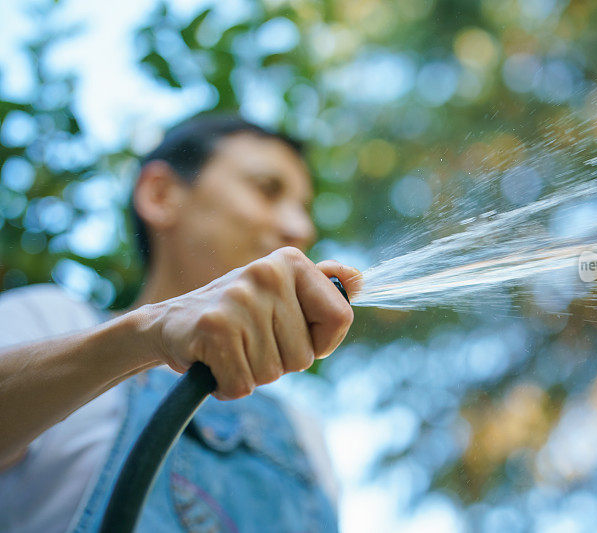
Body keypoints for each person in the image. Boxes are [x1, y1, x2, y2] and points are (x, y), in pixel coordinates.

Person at [0, 114, 361, 532]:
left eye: (304, 209)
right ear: (161, 194)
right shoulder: (51, 320)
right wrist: (149, 334)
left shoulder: (305, 436)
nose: (301, 228)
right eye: (268, 190)